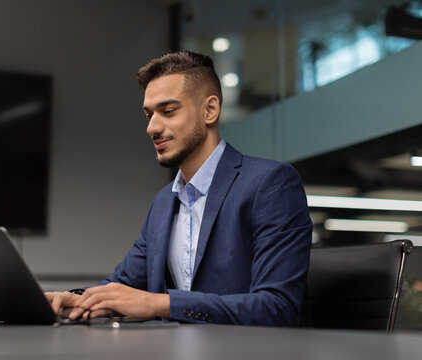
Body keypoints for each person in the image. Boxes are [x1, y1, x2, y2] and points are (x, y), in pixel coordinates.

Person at [45, 51, 313, 326]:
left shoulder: (270, 184)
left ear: (210, 110)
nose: (152, 127)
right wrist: (73, 299)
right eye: (149, 115)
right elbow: (122, 285)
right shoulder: (163, 203)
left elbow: (278, 307)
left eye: (168, 111)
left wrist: (160, 303)